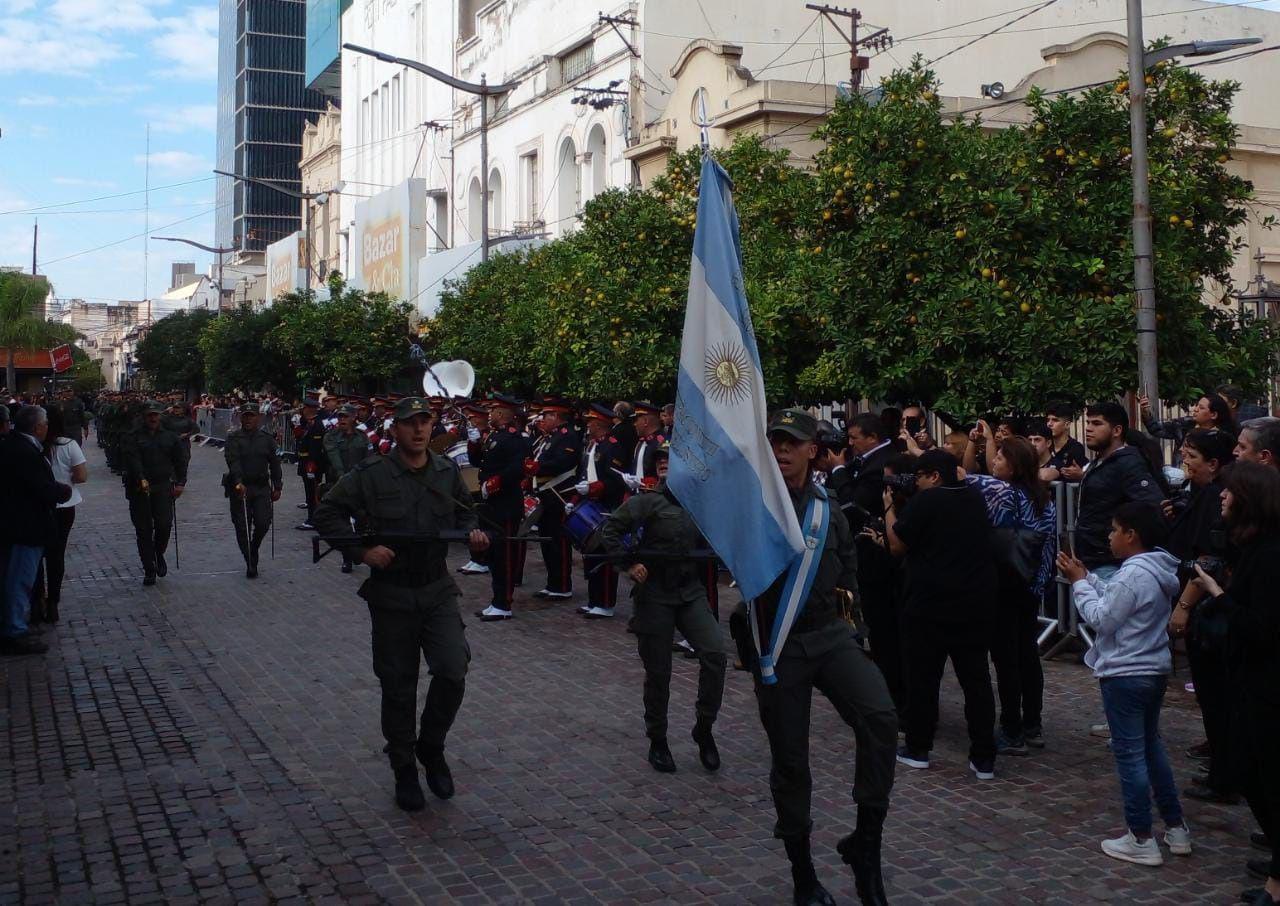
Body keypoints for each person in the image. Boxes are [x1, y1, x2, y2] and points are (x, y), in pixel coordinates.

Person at [729, 409, 897, 906]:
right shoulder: (754, 506)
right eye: (775, 442)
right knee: (791, 760)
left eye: (792, 443)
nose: (782, 451)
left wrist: (857, 632)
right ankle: (803, 873)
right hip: (780, 646)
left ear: (812, 451)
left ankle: (865, 843)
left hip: (829, 635)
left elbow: (848, 572)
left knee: (881, 717)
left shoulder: (829, 510)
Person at [313, 397, 490, 812]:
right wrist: (363, 552)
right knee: (398, 686)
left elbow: (468, 515)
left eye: (425, 422)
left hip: (436, 588)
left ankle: (431, 746)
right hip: (391, 593)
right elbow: (328, 514)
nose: (419, 430)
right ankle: (404, 766)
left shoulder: (448, 471)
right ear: (395, 429)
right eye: (410, 423)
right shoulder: (371, 474)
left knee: (452, 669)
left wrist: (475, 534)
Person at [1058, 502, 1189, 866]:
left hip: (1126, 672)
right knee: (1151, 748)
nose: (1110, 537)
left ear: (1131, 535)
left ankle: (1141, 836)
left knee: (1131, 755)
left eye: (1115, 530)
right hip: (1153, 669)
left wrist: (1079, 586)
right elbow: (1120, 600)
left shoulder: (1134, 574)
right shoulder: (1155, 570)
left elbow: (1103, 618)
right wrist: (1089, 578)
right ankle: (1176, 827)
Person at [1180, 463, 1280, 905]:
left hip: (1269, 684)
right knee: (1246, 768)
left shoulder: (1272, 554)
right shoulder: (1253, 547)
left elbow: (1262, 627)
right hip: (1251, 679)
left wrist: (1217, 594)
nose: (1221, 498)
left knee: (1265, 775)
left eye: (1230, 492)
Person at [600, 442, 726, 774]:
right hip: (655, 594)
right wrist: (628, 564)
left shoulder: (701, 503)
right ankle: (658, 739)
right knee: (659, 673)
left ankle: (704, 728)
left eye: (671, 461)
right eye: (660, 462)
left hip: (689, 591)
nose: (664, 466)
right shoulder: (648, 502)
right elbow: (610, 529)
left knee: (714, 653)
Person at [885, 448, 1000, 779]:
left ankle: (919, 748)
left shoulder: (928, 501)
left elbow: (896, 545)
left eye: (919, 476)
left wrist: (889, 507)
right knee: (976, 680)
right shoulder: (975, 499)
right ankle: (983, 757)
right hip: (975, 603)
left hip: (930, 605)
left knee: (923, 678)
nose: (916, 483)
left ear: (934, 476)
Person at [964, 436, 1056, 755]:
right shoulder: (1044, 498)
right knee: (1028, 656)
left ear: (1014, 465)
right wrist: (1039, 583)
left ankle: (1011, 729)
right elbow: (1047, 547)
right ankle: (1033, 724)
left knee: (1006, 660)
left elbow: (961, 476)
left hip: (1003, 585)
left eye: (1001, 457)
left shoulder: (999, 492)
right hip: (1029, 585)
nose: (994, 462)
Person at [1160, 428, 1236, 804]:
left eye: (1191, 457)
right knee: (1211, 696)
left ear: (1213, 463)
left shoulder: (1216, 499)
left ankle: (1226, 775)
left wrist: (1184, 606)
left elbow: (1208, 558)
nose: (1184, 463)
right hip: (1201, 604)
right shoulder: (1199, 496)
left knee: (1217, 694)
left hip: (1208, 609)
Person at [822, 412, 904, 711]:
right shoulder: (869, 461)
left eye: (855, 437)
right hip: (868, 559)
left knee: (884, 635)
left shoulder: (880, 465)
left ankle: (892, 699)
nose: (850, 442)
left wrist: (839, 470)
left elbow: (853, 505)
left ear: (872, 437)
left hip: (879, 562)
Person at [0, 406, 72, 656]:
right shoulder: (23, 451)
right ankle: (14, 630)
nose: (47, 428)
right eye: (44, 424)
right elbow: (38, 487)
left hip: (17, 525)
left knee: (15, 578)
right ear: (37, 427)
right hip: (24, 526)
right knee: (19, 580)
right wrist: (61, 491)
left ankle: (13, 625)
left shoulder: (15, 446)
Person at [1075, 402, 1164, 578]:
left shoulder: (1128, 463)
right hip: (1091, 559)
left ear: (1117, 431)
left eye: (1097, 423)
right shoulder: (1100, 462)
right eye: (1088, 423)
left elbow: (1151, 507)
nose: (1088, 429)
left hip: (1111, 564)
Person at [474, 394, 532, 621]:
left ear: (502, 414)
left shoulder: (514, 438)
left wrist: (495, 482)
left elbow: (518, 468)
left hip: (506, 502)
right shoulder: (495, 435)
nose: (489, 414)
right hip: (493, 503)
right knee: (495, 555)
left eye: (493, 410)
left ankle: (503, 603)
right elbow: (480, 462)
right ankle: (497, 600)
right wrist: (474, 442)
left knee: (505, 554)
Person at [121, 401, 189, 586]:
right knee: (143, 530)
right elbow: (132, 459)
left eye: (155, 414)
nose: (152, 418)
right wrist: (141, 478)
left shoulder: (169, 437)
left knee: (164, 525)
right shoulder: (133, 436)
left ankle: (158, 553)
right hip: (138, 488)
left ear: (160, 416)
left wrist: (181, 482)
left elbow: (180, 461)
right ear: (144, 416)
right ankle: (149, 567)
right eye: (149, 415)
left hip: (162, 487)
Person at [523, 398, 580, 600]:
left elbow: (564, 462)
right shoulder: (551, 436)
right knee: (547, 541)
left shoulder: (568, 436)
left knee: (559, 542)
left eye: (546, 416)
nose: (543, 419)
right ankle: (553, 583)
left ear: (556, 416)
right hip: (546, 494)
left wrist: (539, 468)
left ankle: (563, 585)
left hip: (559, 494)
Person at [575, 404, 627, 619]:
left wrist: (597, 488)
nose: (588, 426)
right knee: (591, 554)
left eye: (590, 422)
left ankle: (605, 602)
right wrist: (577, 496)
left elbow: (617, 479)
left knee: (605, 555)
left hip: (606, 506)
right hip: (591, 504)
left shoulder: (611, 447)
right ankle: (594, 599)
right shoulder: (592, 446)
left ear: (599, 424)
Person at [224, 401, 283, 579]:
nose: (248, 419)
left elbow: (275, 463)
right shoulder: (233, 438)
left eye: (251, 415)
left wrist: (278, 484)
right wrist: (238, 481)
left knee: (263, 522)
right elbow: (233, 461)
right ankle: (250, 561)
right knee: (242, 526)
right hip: (240, 487)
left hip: (261, 487)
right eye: (245, 416)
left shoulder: (266, 439)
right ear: (241, 418)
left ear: (258, 417)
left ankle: (254, 546)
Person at [41, 406, 87, 623]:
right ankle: (53, 602)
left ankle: (36, 599)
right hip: (65, 504)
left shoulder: (34, 446)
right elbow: (81, 476)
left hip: (38, 505)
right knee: (56, 554)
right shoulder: (69, 445)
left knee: (35, 555)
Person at [324, 404, 374, 574]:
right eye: (339, 417)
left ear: (354, 418)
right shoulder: (331, 436)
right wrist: (344, 478)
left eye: (345, 417)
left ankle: (358, 552)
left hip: (359, 485)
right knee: (344, 523)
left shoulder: (362, 437)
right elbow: (334, 458)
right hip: (339, 485)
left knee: (361, 520)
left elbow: (368, 459)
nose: (342, 420)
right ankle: (347, 559)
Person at [294, 398, 327, 530]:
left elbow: (316, 448)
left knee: (313, 492)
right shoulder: (309, 423)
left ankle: (313, 519)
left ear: (309, 409)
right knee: (309, 492)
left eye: (304, 408)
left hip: (311, 464)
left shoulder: (317, 425)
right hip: (305, 461)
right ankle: (312, 517)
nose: (302, 410)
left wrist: (312, 464)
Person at [1044, 403, 1088, 481]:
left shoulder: (1076, 448)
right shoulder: (1043, 445)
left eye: (1055, 420)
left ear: (1067, 424)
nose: (1049, 424)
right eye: (1048, 420)